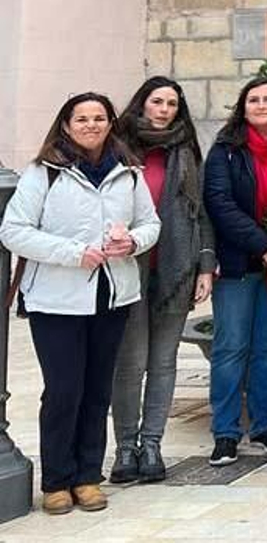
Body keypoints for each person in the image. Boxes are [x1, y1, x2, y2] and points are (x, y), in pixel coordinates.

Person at [1, 93, 160, 516]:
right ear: (66, 125)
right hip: (56, 300)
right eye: (82, 119)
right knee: (64, 390)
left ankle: (88, 476)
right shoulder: (44, 173)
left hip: (111, 294)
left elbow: (150, 223)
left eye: (99, 118)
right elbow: (13, 231)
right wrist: (73, 252)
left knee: (96, 390)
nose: (91, 125)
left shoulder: (127, 171)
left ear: (110, 123)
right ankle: (56, 480)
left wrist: (134, 241)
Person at [109, 77, 215, 484]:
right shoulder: (118, 149)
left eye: (172, 103)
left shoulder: (187, 151)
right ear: (143, 104)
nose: (165, 109)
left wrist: (206, 265)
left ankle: (152, 445)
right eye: (158, 101)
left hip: (176, 267)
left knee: (164, 362)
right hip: (127, 269)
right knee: (130, 363)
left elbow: (201, 211)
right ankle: (124, 448)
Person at [201, 78, 267, 468]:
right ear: (243, 108)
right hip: (239, 265)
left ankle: (265, 425)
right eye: (254, 100)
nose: (261, 105)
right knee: (230, 348)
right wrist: (264, 244)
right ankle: (225, 432)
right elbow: (219, 204)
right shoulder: (226, 151)